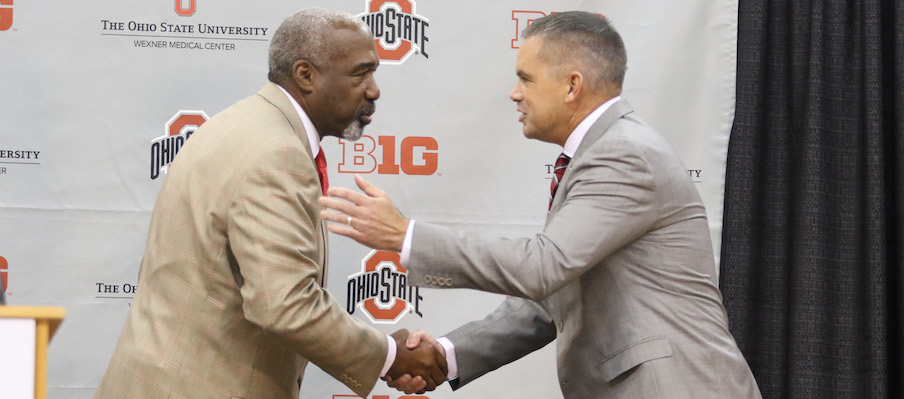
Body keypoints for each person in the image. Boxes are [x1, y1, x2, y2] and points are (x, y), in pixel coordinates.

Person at [320, 11, 762, 399]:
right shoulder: (598, 154)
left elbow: (543, 267)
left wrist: (405, 235)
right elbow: (550, 298)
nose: (515, 93)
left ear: (572, 86)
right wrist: (446, 355)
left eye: (525, 78)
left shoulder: (622, 155)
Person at [94, 8, 445, 399]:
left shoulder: (242, 124)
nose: (374, 89)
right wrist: (390, 355)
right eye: (360, 73)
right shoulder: (277, 154)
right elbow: (285, 304)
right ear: (305, 75)